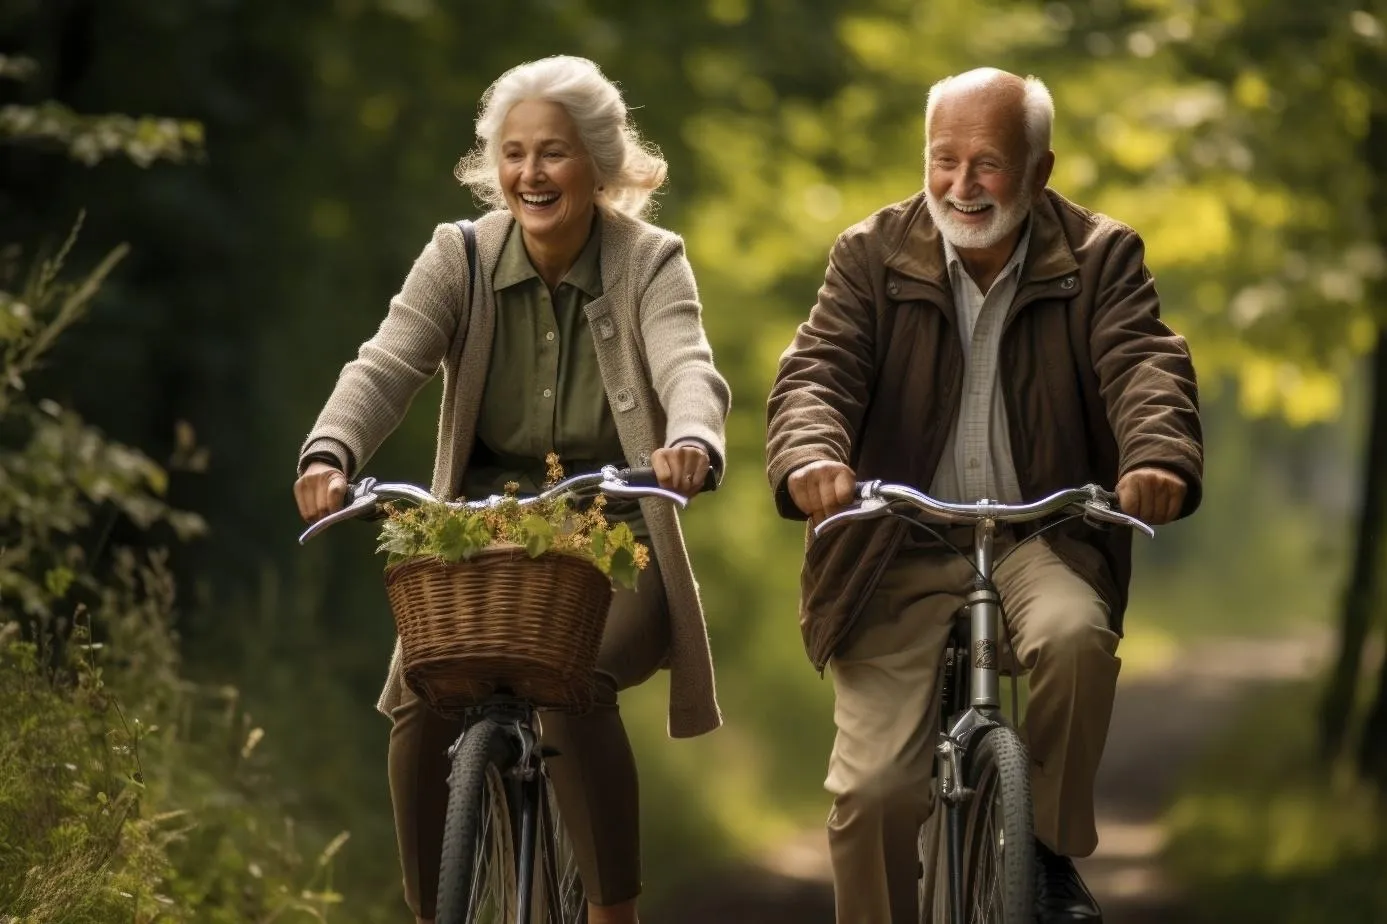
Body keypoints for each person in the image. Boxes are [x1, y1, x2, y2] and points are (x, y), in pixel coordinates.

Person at [292, 55, 731, 924]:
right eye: (515, 153)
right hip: (480, 533)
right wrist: (329, 449)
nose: (532, 174)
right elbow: (388, 360)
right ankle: (436, 908)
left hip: (613, 537)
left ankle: (611, 911)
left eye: (555, 153)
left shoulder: (648, 261)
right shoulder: (458, 256)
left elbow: (686, 360)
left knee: (573, 678)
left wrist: (690, 438)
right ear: (494, 167)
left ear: (600, 164)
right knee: (420, 696)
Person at [765, 67, 1203, 924]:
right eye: (944, 160)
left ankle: (1045, 855)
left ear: (1038, 170)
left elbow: (1145, 365)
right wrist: (812, 456)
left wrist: (1156, 456)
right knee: (874, 797)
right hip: (893, 542)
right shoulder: (869, 253)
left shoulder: (1099, 256)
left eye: (989, 164)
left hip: (1043, 535)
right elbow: (816, 371)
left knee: (1076, 639)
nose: (962, 187)